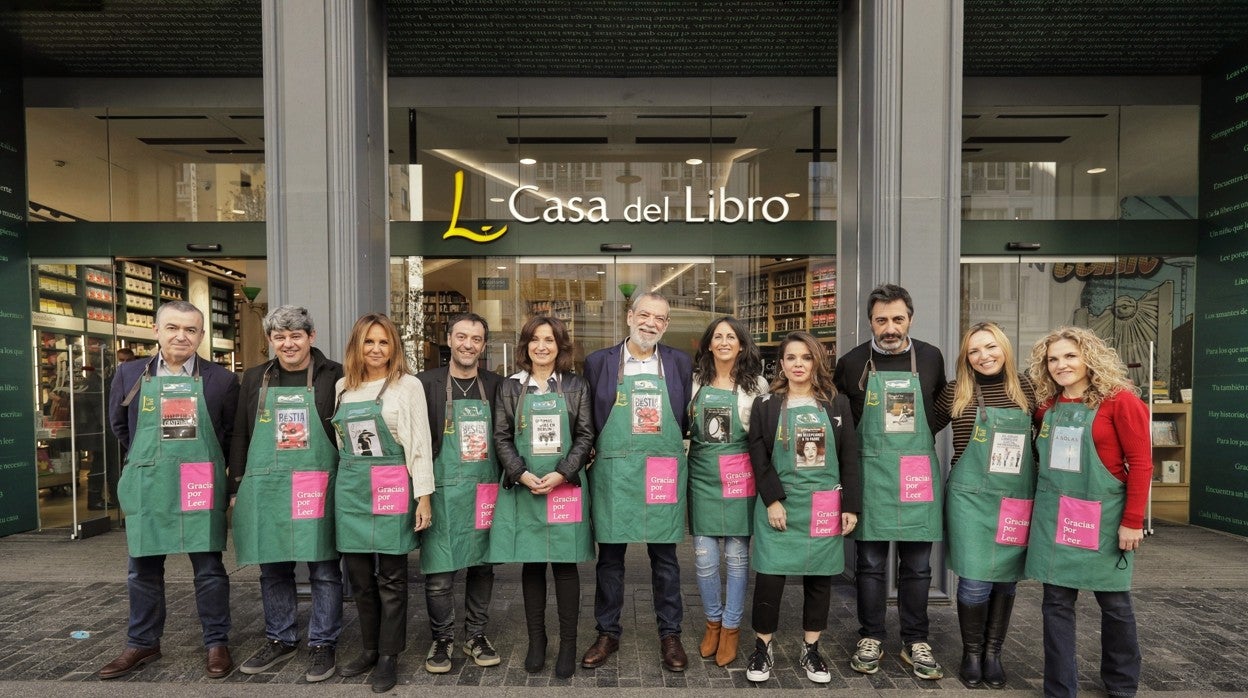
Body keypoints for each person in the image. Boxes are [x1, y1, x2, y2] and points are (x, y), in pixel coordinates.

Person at [98, 300, 239, 680]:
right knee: (142, 567)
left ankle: (217, 642)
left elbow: (228, 435)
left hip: (198, 479)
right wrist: (153, 461)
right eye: (173, 328)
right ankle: (142, 641)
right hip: (150, 479)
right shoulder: (129, 374)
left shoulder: (222, 380)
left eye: (191, 330)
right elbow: (120, 426)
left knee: (209, 568)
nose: (181, 336)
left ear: (202, 335)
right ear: (156, 331)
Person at [1026, 326, 1150, 698]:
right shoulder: (1047, 408)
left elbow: (1141, 464)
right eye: (1053, 359)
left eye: (1070, 356)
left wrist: (1133, 521)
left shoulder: (1120, 401)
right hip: (1055, 514)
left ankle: (1122, 684)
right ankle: (1060, 689)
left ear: (1089, 358)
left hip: (1105, 515)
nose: (1061, 365)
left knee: (1114, 603)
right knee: (1056, 604)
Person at [832, 283, 948, 680]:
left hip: (915, 471)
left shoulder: (930, 357)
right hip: (872, 472)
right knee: (870, 565)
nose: (890, 328)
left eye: (898, 319)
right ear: (870, 322)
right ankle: (871, 636)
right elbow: (842, 421)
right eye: (881, 320)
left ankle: (916, 640)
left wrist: (919, 440)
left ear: (910, 319)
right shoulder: (851, 363)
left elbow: (938, 407)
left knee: (918, 565)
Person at [229, 306, 344, 682]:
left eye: (296, 335)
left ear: (311, 336)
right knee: (273, 565)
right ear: (270, 340)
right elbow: (241, 433)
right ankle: (281, 638)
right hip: (269, 483)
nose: (288, 343)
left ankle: (323, 642)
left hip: (318, 481)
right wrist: (238, 485)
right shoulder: (254, 377)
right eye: (280, 337)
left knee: (324, 566)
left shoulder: (335, 375)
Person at [581, 292, 694, 672]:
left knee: (665, 560)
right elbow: (589, 419)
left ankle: (670, 635)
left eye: (659, 318)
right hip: (614, 471)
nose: (651, 323)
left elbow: (683, 418)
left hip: (661, 468)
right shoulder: (599, 362)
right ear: (630, 317)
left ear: (666, 324)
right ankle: (607, 633)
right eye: (644, 315)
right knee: (610, 560)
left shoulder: (679, 362)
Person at [744, 332, 860, 684]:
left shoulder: (836, 404)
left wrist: (850, 506)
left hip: (822, 502)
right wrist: (772, 500)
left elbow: (849, 457)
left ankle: (811, 649)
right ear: (781, 363)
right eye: (791, 357)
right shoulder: (766, 404)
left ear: (816, 362)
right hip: (780, 501)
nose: (798, 364)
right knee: (769, 577)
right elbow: (759, 455)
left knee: (819, 578)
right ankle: (763, 647)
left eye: (806, 357)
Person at [331, 313, 433, 693]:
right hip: (352, 489)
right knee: (359, 579)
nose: (376, 349)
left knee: (392, 578)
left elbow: (419, 444)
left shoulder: (408, 386)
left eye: (384, 342)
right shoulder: (343, 386)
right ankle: (369, 648)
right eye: (369, 342)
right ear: (357, 346)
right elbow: (341, 442)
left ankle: (389, 655)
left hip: (392, 486)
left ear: (394, 347)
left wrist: (424, 498)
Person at [489, 315, 595, 679]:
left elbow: (586, 435)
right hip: (526, 484)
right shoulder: (510, 387)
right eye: (535, 339)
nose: (542, 346)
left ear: (560, 346)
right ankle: (537, 641)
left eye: (549, 340)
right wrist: (520, 473)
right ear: (526, 345)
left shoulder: (576, 385)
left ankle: (568, 645)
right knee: (532, 564)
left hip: (564, 486)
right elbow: (501, 436)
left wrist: (563, 472)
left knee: (565, 566)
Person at [932, 322, 1036, 688]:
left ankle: (993, 653)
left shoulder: (1027, 388)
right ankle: (972, 653)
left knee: (1005, 581)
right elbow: (919, 432)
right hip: (969, 500)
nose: (983, 356)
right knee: (975, 582)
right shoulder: (955, 391)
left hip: (1014, 498)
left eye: (990, 347)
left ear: (1004, 348)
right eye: (974, 351)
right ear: (966, 357)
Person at [415, 313, 504, 674]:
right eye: (462, 337)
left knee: (482, 566)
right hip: (440, 489)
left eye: (476, 339)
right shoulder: (425, 384)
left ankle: (476, 635)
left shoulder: (497, 385)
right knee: (440, 572)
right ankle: (442, 638)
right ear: (449, 339)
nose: (468, 344)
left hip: (484, 487)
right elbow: (416, 443)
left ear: (484, 345)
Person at [687, 316, 767, 667]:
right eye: (717, 336)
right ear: (708, 344)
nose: (724, 342)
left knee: (736, 558)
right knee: (704, 558)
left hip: (739, 474)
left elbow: (762, 437)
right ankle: (713, 623)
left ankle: (732, 628)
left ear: (741, 344)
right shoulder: (693, 382)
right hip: (702, 474)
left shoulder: (757, 385)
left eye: (731, 337)